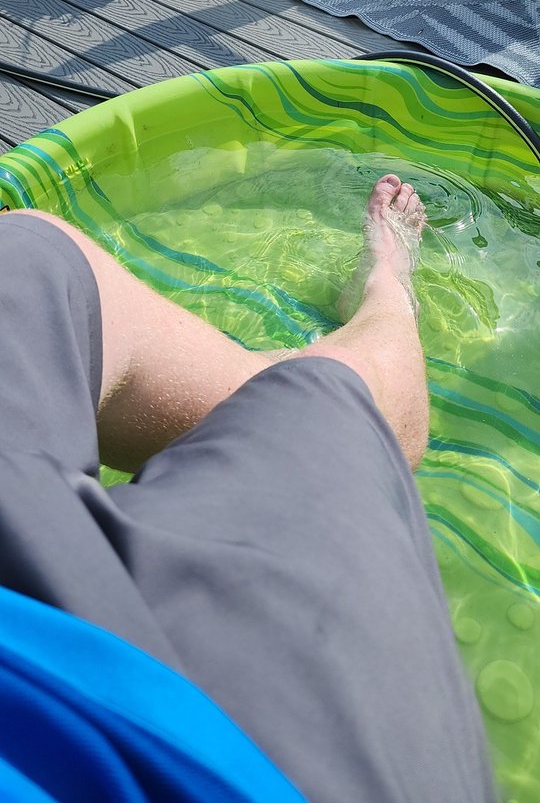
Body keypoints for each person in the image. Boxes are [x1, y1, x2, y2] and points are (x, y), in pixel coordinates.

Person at [0, 174, 496, 802]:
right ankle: (385, 297)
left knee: (30, 253)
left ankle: (276, 388)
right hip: (201, 760)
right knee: (338, 393)